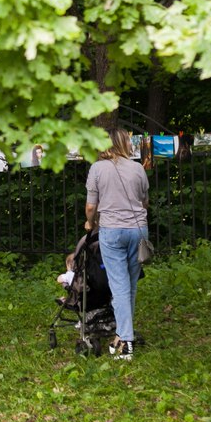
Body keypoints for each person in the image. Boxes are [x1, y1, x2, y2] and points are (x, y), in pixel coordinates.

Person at [84, 127, 149, 360]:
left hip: (112, 231)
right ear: (125, 144)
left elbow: (91, 206)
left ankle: (126, 344)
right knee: (129, 285)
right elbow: (144, 202)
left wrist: (89, 223)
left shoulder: (97, 169)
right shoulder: (138, 167)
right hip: (138, 230)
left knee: (119, 286)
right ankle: (121, 336)